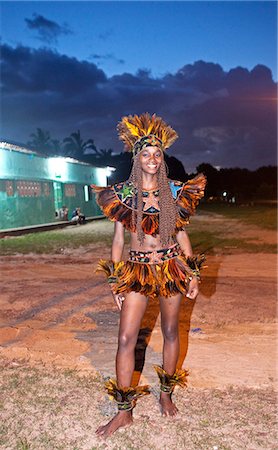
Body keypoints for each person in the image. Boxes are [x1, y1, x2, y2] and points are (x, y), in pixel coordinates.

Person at [92, 113, 206, 439]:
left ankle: (166, 394)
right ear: (136, 157)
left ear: (162, 158)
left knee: (171, 331)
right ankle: (123, 412)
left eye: (157, 154)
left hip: (170, 267)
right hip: (137, 270)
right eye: (146, 153)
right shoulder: (123, 194)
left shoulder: (173, 192)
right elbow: (118, 241)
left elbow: (181, 235)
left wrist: (192, 272)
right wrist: (115, 281)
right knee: (126, 338)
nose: (153, 159)